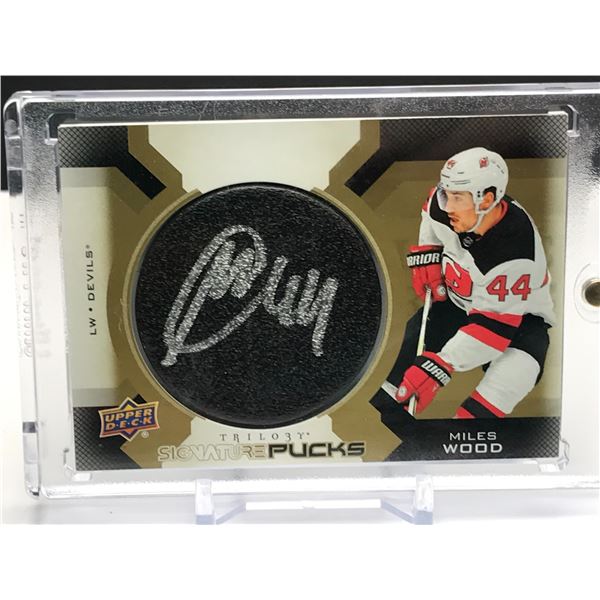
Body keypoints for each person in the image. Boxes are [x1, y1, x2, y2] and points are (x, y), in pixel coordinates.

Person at [391, 147, 555, 418]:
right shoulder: (443, 205)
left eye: (457, 197)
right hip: (457, 304)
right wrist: (428, 251)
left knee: (512, 380)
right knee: (397, 368)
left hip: (519, 323)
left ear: (487, 199)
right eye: (446, 194)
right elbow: (430, 210)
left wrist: (441, 365)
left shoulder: (514, 252)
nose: (447, 206)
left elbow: (492, 330)